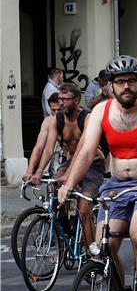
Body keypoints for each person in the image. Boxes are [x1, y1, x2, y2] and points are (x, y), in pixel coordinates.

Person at [57, 54, 137, 291]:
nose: (126, 86)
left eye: (131, 81)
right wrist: (69, 184)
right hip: (116, 185)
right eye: (120, 82)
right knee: (102, 248)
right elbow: (86, 152)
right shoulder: (101, 112)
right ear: (110, 86)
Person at [31, 82, 105, 250]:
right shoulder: (56, 120)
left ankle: (91, 255)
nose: (61, 102)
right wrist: (38, 172)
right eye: (60, 98)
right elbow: (48, 149)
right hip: (71, 161)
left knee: (84, 209)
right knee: (55, 192)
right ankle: (66, 230)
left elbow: (82, 150)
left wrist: (70, 177)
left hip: (92, 163)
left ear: (77, 100)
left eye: (66, 99)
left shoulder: (87, 118)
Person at [23, 94, 62, 182]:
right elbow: (39, 147)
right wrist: (30, 171)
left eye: (59, 110)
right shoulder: (48, 121)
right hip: (55, 161)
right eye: (53, 110)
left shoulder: (70, 119)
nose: (56, 113)